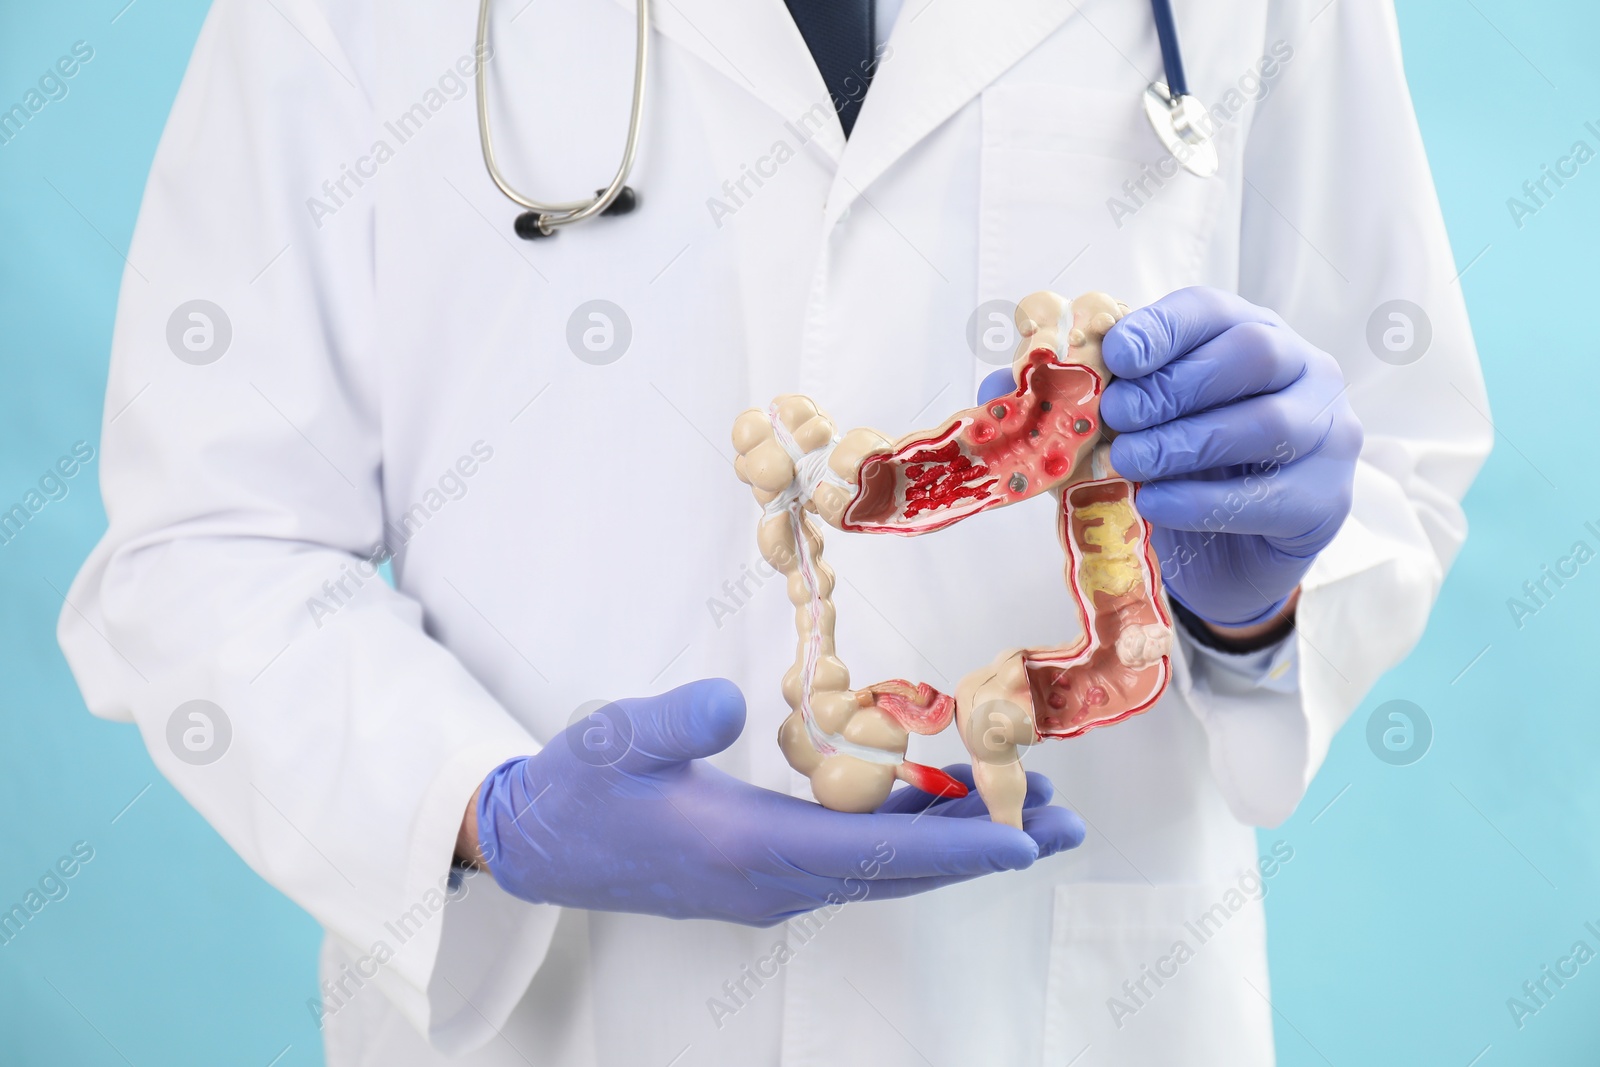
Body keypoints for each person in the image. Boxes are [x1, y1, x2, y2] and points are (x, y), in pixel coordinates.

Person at [60, 0, 1490, 1063]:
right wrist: (478, 809)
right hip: (584, 1016)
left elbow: (1398, 451)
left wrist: (1260, 599)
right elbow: (204, 545)